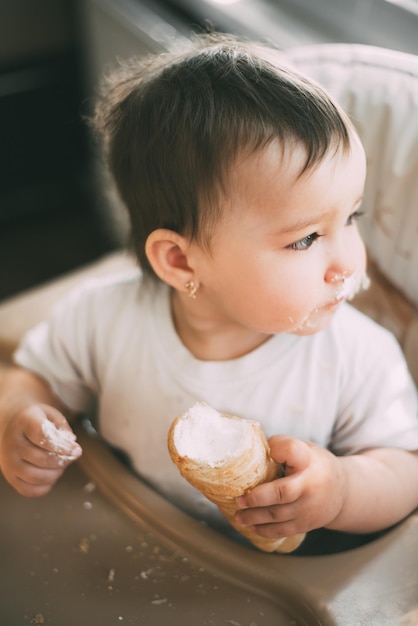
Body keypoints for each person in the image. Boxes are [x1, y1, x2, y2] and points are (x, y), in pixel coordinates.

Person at [1, 33, 418, 549]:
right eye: (306, 238)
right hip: (130, 544)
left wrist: (342, 489)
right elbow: (29, 376)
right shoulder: (101, 321)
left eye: (351, 217)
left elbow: (405, 468)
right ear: (179, 260)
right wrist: (21, 419)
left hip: (276, 579)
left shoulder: (358, 355)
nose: (348, 263)